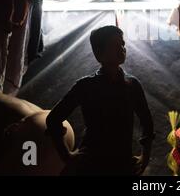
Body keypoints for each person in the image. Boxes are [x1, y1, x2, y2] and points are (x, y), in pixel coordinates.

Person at [46, 26, 155, 175]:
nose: (121, 48)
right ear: (99, 53)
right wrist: (67, 156)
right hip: (90, 166)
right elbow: (53, 119)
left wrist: (145, 156)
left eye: (122, 44)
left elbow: (147, 121)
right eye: (114, 45)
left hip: (121, 166)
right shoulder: (85, 86)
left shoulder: (132, 85)